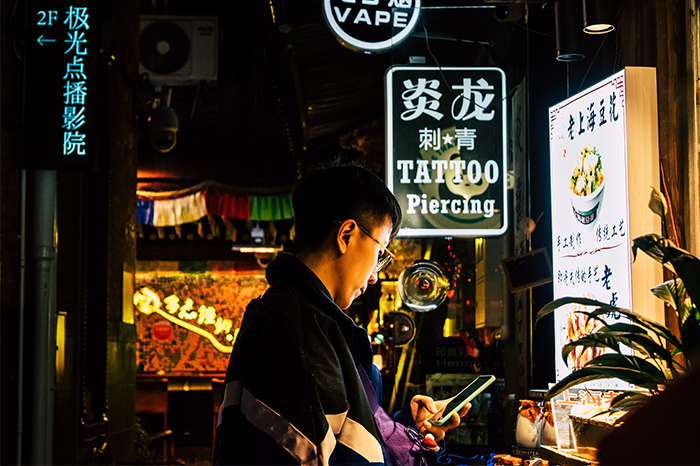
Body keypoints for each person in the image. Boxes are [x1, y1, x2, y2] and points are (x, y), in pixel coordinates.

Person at [213, 163, 469, 466]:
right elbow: (322, 456)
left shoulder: (304, 316)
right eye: (380, 253)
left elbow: (347, 433)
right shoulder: (297, 326)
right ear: (346, 234)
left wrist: (408, 427)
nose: (374, 276)